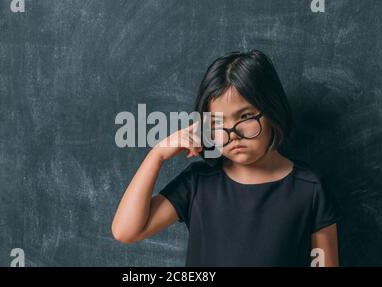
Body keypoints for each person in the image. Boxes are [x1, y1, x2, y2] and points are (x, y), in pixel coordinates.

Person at [111, 50, 341, 267]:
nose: (233, 134)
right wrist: (157, 154)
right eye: (217, 122)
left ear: (271, 110)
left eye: (246, 116)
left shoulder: (310, 189)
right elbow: (126, 231)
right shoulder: (198, 183)